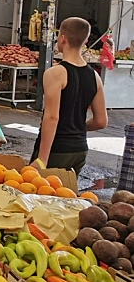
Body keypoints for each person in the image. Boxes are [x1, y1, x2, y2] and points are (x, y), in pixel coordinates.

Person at [32, 17, 107, 175]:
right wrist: (78, 127)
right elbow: (101, 121)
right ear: (85, 40)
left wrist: (42, 159)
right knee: (66, 197)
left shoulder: (55, 73)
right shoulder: (95, 77)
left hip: (57, 149)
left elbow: (52, 117)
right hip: (79, 150)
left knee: (40, 196)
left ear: (62, 38)